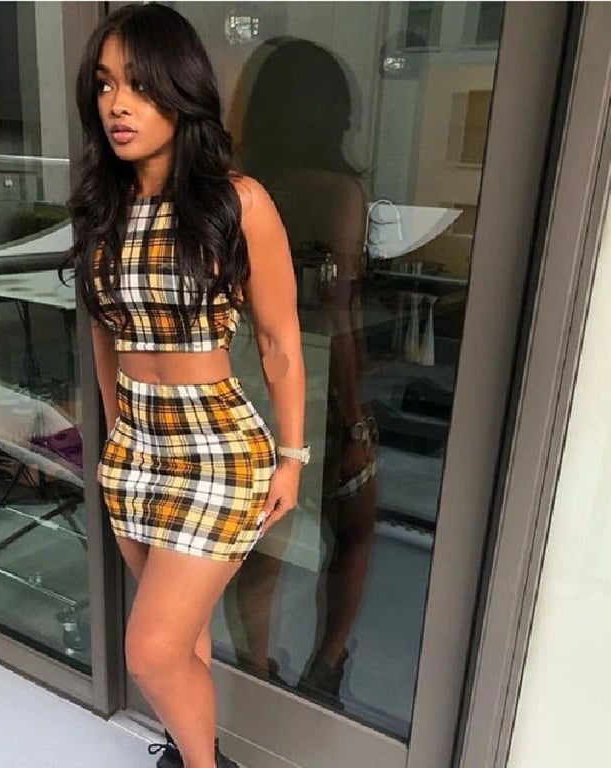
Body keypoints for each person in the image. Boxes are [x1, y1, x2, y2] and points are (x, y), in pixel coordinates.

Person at [65, 6, 306, 768]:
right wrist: (116, 441)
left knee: (150, 650)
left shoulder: (239, 202)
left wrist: (293, 456)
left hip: (216, 451)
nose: (118, 104)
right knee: (184, 637)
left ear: (180, 88)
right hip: (136, 449)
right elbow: (104, 333)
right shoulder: (104, 208)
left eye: (139, 85)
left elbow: (279, 339)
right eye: (105, 85)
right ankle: (187, 751)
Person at [228, 37, 378, 709]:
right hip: (316, 385)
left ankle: (255, 671)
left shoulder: (238, 189)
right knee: (356, 528)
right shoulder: (339, 193)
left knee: (262, 543)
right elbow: (338, 316)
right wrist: (355, 420)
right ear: (330, 113)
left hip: (248, 383)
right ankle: (327, 667)